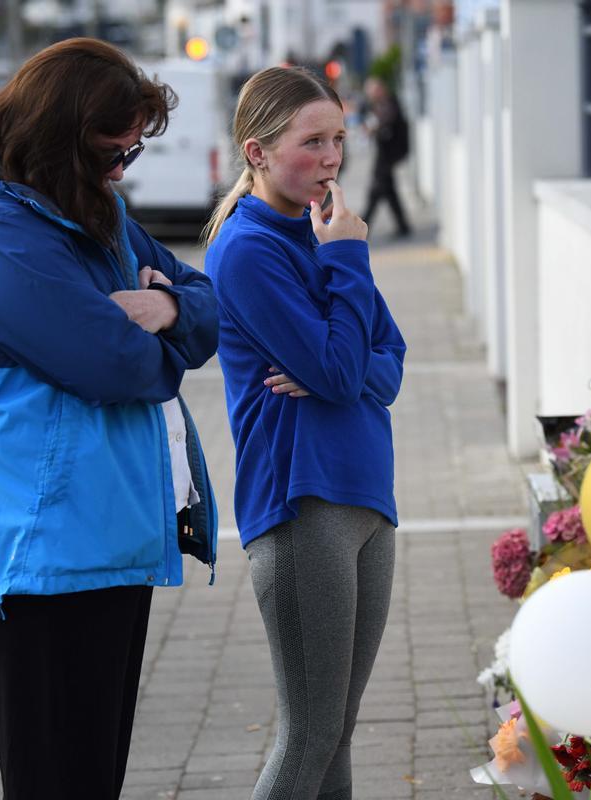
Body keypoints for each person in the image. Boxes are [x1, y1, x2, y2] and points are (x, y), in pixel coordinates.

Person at [0, 38, 219, 800]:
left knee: (91, 776)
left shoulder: (94, 209)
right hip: (34, 553)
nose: (122, 171)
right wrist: (149, 337)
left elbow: (210, 308)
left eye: (132, 153)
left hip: (103, 538)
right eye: (111, 152)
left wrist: (166, 307)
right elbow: (114, 366)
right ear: (55, 139)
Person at [204, 66, 406, 800]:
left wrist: (340, 368)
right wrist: (347, 270)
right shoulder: (249, 248)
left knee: (339, 734)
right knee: (309, 735)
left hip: (363, 497)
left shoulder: (325, 230)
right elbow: (342, 366)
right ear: (256, 152)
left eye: (339, 140)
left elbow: (384, 365)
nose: (331, 159)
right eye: (312, 141)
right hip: (301, 504)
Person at [361, 76, 411, 238]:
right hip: (386, 154)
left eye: (373, 91)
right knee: (389, 192)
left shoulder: (389, 103)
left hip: (389, 154)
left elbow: (383, 124)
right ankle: (403, 226)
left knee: (376, 191)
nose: (371, 96)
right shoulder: (383, 104)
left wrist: (372, 129)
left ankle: (363, 226)